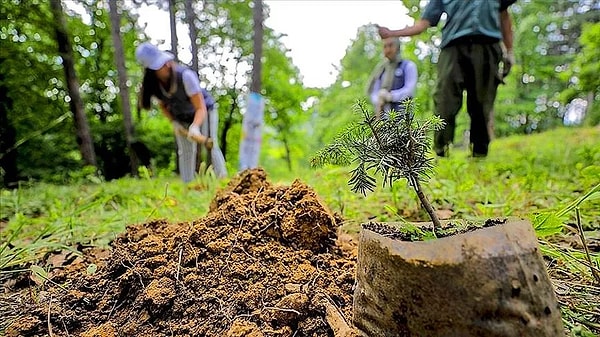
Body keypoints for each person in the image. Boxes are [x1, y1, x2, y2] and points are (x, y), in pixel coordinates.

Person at [378, 0, 516, 157]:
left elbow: (504, 15)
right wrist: (392, 34)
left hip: (488, 45)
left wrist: (509, 51)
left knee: (482, 103)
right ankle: (441, 152)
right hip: (452, 48)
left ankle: (479, 154)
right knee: (444, 100)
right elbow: (423, 24)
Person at [135, 42, 215, 183]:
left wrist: (195, 126)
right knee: (185, 151)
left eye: (164, 61)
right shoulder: (155, 86)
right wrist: (174, 123)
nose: (166, 65)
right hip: (181, 116)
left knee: (212, 147)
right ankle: (187, 185)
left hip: (204, 111)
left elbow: (200, 107)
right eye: (160, 65)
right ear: (151, 70)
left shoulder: (186, 76)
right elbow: (164, 107)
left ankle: (223, 180)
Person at [367, 37, 418, 119]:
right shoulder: (381, 70)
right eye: (385, 46)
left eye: (390, 46)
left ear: (397, 47)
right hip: (383, 118)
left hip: (403, 119)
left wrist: (391, 96)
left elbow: (409, 90)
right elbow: (374, 92)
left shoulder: (408, 66)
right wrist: (378, 99)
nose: (388, 50)